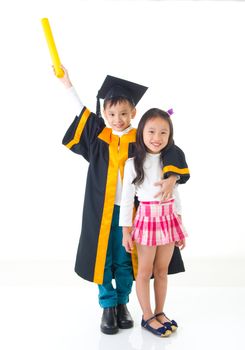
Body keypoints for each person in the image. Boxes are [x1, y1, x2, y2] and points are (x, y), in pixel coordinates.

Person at [56, 67, 190, 335]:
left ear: (134, 114)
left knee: (127, 261)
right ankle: (108, 305)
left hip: (137, 215)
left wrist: (173, 178)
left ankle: (123, 304)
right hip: (100, 212)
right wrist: (67, 84)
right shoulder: (99, 137)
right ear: (104, 114)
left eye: (124, 114)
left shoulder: (141, 139)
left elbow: (168, 145)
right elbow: (82, 112)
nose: (117, 120)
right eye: (111, 114)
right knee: (102, 259)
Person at [119, 108, 188, 337]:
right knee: (145, 270)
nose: (156, 138)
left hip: (168, 219)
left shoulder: (171, 163)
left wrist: (180, 225)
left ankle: (160, 312)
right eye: (151, 131)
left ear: (170, 136)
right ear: (141, 133)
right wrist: (126, 231)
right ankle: (147, 315)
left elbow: (175, 195)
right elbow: (127, 200)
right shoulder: (132, 163)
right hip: (147, 219)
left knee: (161, 271)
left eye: (163, 133)